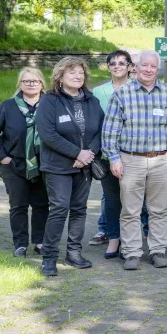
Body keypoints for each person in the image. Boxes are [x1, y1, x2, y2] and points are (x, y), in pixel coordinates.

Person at [102, 50, 167, 271]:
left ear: (157, 69)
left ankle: (157, 250)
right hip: (131, 160)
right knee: (130, 210)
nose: (148, 70)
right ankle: (131, 253)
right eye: (144, 66)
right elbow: (110, 131)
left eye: (153, 67)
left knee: (159, 209)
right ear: (135, 68)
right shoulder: (122, 94)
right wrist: (114, 159)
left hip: (160, 159)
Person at [36, 57, 104, 276]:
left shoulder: (92, 101)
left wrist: (88, 154)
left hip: (85, 166)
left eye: (81, 73)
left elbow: (101, 131)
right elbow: (48, 134)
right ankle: (49, 257)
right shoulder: (49, 101)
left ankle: (74, 253)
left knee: (79, 210)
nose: (77, 76)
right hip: (57, 166)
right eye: (72, 72)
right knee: (59, 209)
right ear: (60, 76)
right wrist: (77, 153)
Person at [0, 67, 49, 258]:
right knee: (18, 205)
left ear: (42, 84)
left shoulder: (51, 105)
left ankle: (40, 241)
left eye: (35, 81)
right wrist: (4, 158)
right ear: (20, 84)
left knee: (42, 205)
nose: (31, 84)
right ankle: (20, 244)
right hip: (14, 166)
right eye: (26, 81)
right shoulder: (7, 106)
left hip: (44, 165)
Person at [90, 50, 135, 257]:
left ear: (129, 66)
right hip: (106, 153)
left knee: (134, 198)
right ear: (108, 67)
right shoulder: (97, 92)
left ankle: (132, 240)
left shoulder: (138, 89)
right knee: (111, 197)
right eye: (113, 63)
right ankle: (113, 237)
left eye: (121, 63)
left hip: (133, 153)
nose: (117, 66)